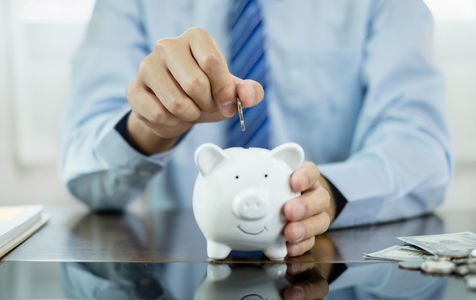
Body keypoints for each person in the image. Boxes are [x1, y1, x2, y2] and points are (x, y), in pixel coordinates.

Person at [60, 0, 453, 257]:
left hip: (332, 264)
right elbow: (84, 171)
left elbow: (422, 149)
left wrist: (326, 195)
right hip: (185, 265)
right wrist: (151, 126)